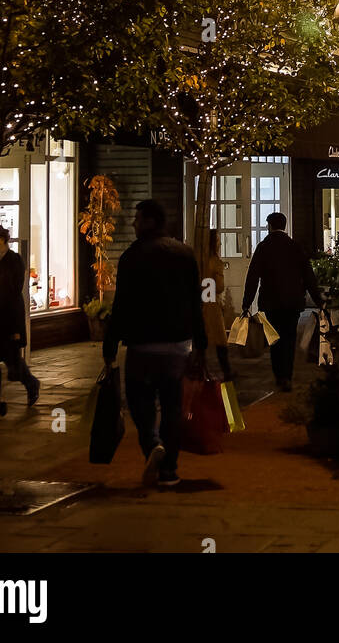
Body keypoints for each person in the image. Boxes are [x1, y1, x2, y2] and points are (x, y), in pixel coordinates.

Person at [103, 199, 207, 489]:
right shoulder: (184, 254)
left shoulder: (131, 257)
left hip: (141, 345)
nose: (134, 224)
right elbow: (194, 303)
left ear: (150, 221)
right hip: (177, 346)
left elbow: (121, 304)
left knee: (140, 404)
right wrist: (201, 343)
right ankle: (169, 471)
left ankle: (152, 445)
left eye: (137, 219)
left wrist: (110, 345)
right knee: (172, 408)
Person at [241, 212, 323, 393]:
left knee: (274, 339)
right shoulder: (295, 247)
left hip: (270, 303)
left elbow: (252, 277)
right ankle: (287, 375)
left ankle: (279, 376)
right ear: (284, 226)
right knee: (289, 338)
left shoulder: (263, 247)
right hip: (292, 302)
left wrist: (247, 303)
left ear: (269, 226)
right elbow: (309, 276)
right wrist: (319, 300)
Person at [0, 225, 40, 414]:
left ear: (2, 239)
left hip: (10, 314)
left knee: (12, 360)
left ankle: (31, 383)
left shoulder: (14, 260)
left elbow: (15, 287)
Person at [203, 228, 231, 381]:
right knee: (220, 340)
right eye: (218, 240)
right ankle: (226, 371)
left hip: (202, 301)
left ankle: (202, 369)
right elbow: (219, 286)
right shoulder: (214, 262)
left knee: (202, 339)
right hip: (212, 303)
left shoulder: (199, 259)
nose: (220, 243)